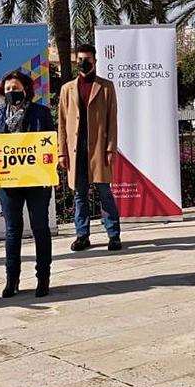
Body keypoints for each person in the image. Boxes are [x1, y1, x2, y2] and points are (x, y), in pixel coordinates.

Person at [0, 70, 55, 298]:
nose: (12, 92)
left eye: (16, 88)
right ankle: (12, 279)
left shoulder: (41, 113)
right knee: (12, 230)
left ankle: (43, 277)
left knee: (40, 228)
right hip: (9, 182)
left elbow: (49, 145)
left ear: (26, 89)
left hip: (37, 181)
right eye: (8, 89)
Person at [59, 44, 121, 251]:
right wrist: (62, 152)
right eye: (79, 59)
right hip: (75, 149)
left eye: (87, 59)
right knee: (79, 195)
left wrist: (111, 148)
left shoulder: (105, 87)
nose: (83, 63)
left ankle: (113, 235)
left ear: (95, 61)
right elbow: (61, 122)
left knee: (105, 192)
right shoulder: (67, 89)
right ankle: (82, 235)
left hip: (99, 148)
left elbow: (112, 120)